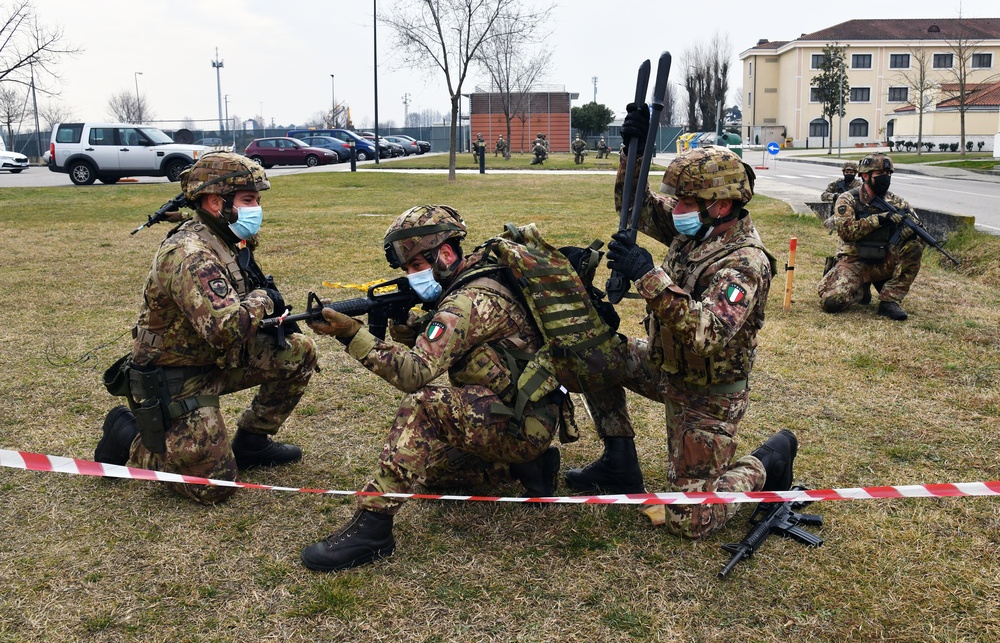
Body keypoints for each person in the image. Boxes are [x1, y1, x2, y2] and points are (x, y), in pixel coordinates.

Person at [564, 106, 796, 541]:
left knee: (690, 522)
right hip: (663, 366)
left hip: (707, 398)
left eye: (687, 202)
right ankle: (619, 461)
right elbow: (635, 206)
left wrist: (648, 275)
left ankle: (769, 459)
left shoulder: (744, 262)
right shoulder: (695, 228)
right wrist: (629, 153)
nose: (678, 209)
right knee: (588, 354)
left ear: (721, 204)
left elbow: (707, 333)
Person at [300, 205, 569, 572]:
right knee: (433, 473)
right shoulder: (481, 276)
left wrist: (351, 334)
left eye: (415, 266)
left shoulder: (464, 303)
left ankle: (373, 527)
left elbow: (414, 373)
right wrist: (409, 321)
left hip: (520, 421)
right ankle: (530, 467)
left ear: (444, 253)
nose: (413, 277)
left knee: (423, 406)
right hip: (526, 411)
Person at [94, 152, 318, 504]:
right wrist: (263, 299)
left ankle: (253, 442)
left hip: (214, 358)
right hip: (176, 376)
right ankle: (127, 433)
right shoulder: (189, 254)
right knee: (212, 487)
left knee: (298, 352)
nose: (256, 208)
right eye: (248, 199)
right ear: (216, 202)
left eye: (257, 199)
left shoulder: (223, 235)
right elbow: (226, 329)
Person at [817, 153, 923, 321]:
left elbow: (917, 224)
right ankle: (859, 289)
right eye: (880, 174)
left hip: (884, 260)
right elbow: (847, 232)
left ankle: (889, 300)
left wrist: (910, 232)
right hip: (855, 260)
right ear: (865, 176)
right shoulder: (848, 199)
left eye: (888, 174)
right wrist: (880, 219)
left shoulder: (897, 202)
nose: (886, 178)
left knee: (914, 245)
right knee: (831, 302)